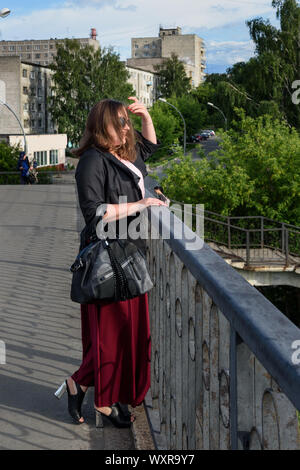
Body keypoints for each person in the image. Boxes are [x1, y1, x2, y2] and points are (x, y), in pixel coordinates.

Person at [55, 97, 168, 428]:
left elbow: (149, 147)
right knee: (112, 335)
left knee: (129, 334)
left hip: (130, 253)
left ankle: (80, 385)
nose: (125, 127)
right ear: (100, 126)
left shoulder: (123, 156)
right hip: (107, 259)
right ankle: (102, 402)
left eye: (126, 121)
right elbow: (94, 214)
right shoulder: (92, 160)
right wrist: (140, 204)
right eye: (118, 122)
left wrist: (146, 113)